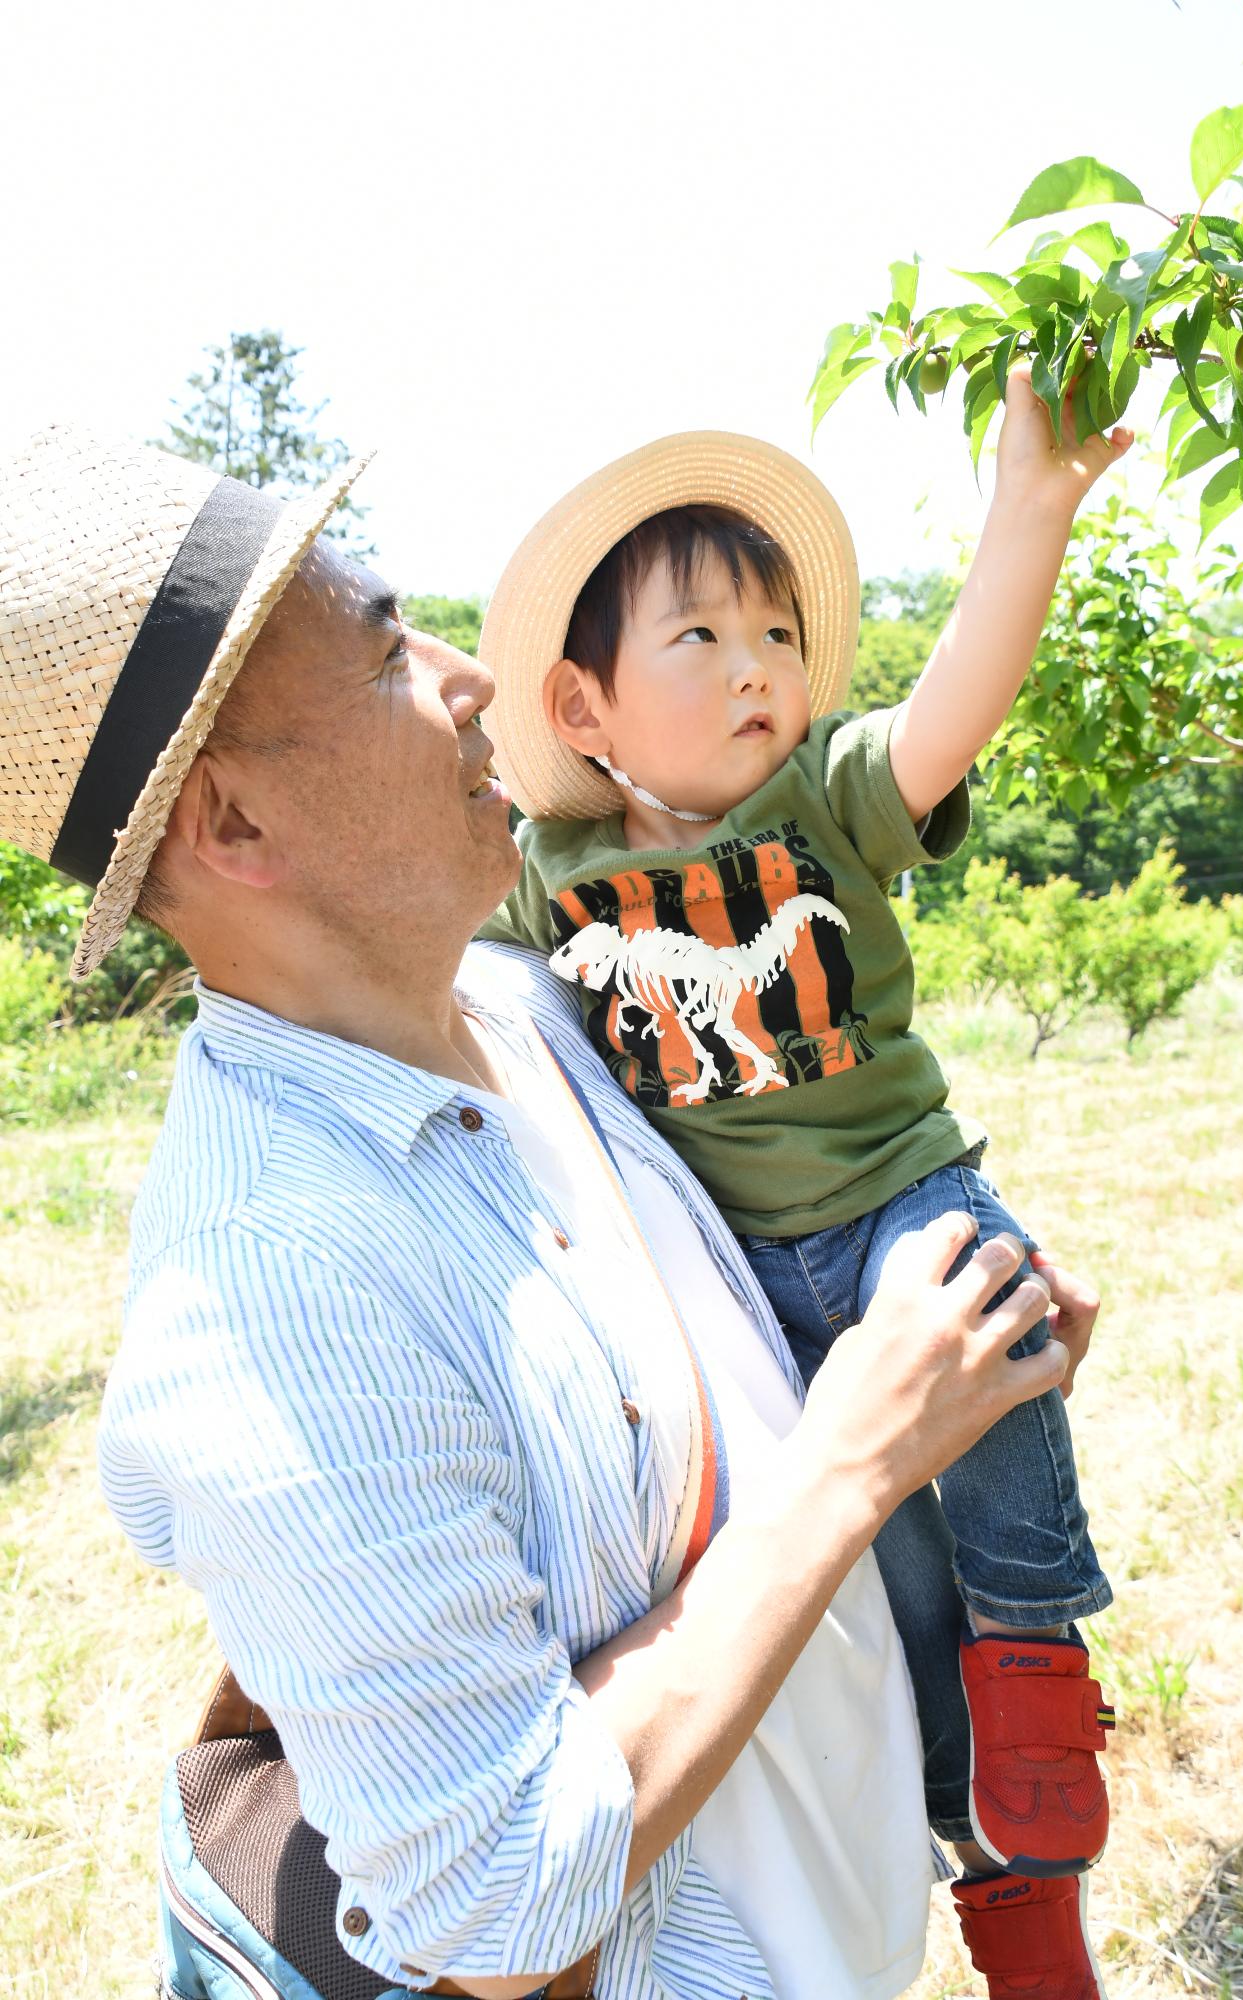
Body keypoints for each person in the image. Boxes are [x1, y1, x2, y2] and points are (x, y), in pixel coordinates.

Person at [1, 423, 1100, 2000]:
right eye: (387, 651)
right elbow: (497, 1912)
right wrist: (862, 1450)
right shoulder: (271, 1289)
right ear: (234, 827)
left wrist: (952, 1352)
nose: (467, 680)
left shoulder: (526, 1004)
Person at [475, 385, 1128, 1960]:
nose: (757, 663)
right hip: (738, 1281)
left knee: (989, 1330)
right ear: (581, 711)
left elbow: (953, 705)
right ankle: (1000, 1879)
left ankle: (1037, 1659)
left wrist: (1026, 516)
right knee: (885, 1574)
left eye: (775, 632)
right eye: (697, 638)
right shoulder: (543, 884)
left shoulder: (824, 796)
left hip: (898, 1191)